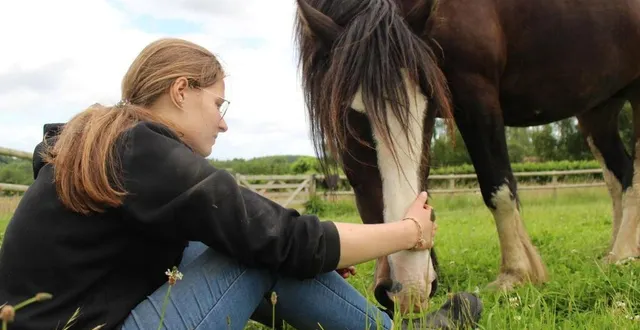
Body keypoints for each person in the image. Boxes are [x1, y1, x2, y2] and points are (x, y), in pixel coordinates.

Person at [0, 38, 482, 330]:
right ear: (181, 90)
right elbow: (280, 237)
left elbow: (231, 232)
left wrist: (313, 259)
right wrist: (410, 232)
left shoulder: (110, 141)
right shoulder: (144, 150)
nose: (224, 124)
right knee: (257, 252)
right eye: (219, 105)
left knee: (243, 245)